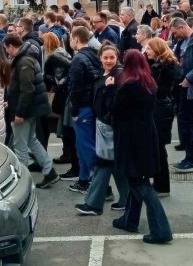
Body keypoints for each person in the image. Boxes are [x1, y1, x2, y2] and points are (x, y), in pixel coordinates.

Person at [112, 49, 173, 244]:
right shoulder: (149, 82)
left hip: (131, 138)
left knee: (139, 183)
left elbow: (115, 111)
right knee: (137, 179)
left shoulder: (128, 85)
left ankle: (161, 230)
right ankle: (130, 220)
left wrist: (109, 89)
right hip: (147, 135)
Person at [75, 44, 129, 215]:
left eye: (111, 57)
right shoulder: (102, 73)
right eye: (105, 57)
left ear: (117, 57)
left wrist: (109, 89)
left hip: (109, 126)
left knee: (103, 164)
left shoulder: (118, 75)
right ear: (100, 58)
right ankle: (127, 199)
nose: (108, 61)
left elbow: (116, 103)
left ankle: (93, 204)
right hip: (103, 124)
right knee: (114, 164)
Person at [4, 33, 60, 189]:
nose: (6, 52)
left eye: (6, 49)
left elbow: (27, 89)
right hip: (29, 108)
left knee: (21, 145)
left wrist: (19, 113)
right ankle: (49, 171)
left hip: (24, 110)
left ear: (10, 46)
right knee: (31, 141)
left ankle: (23, 183)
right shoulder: (26, 59)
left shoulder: (23, 61)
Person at [68, 26, 102, 193]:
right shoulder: (93, 54)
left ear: (75, 39)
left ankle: (101, 184)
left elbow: (76, 87)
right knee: (83, 146)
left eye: (70, 39)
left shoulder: (78, 59)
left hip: (83, 107)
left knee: (86, 147)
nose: (69, 42)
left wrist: (74, 110)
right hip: (91, 105)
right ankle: (83, 180)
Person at [145, 38, 181, 197]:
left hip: (159, 109)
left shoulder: (161, 67)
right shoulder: (166, 65)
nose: (146, 51)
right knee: (158, 148)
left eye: (149, 49)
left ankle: (161, 186)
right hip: (163, 107)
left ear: (157, 49)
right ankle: (161, 184)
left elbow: (154, 89)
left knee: (158, 148)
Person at [42, 32, 77, 177]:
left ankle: (67, 153)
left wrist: (48, 78)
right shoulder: (63, 53)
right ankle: (67, 153)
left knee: (61, 125)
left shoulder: (53, 57)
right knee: (62, 125)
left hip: (59, 95)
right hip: (63, 94)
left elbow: (57, 76)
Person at [171, 17, 193, 171]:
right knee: (188, 121)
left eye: (176, 32)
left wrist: (188, 78)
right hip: (182, 85)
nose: (175, 36)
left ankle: (192, 157)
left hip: (192, 87)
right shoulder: (182, 42)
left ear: (181, 27)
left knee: (188, 122)